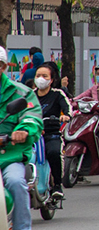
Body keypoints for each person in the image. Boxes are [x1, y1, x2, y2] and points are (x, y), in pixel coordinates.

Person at [0, 47, 44, 230]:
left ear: (3, 67)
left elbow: (32, 115)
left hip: (10, 154)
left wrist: (23, 130)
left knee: (16, 182)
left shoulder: (21, 92)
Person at [33, 62, 69, 198]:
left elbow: (67, 107)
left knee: (54, 152)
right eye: (38, 75)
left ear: (51, 80)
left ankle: (57, 185)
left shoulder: (58, 94)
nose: (41, 78)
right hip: (32, 134)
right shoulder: (29, 95)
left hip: (51, 134)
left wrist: (66, 116)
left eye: (44, 76)